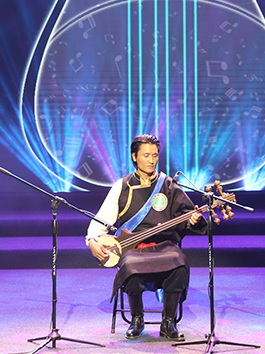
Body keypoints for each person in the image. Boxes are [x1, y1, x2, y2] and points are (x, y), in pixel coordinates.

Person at [86, 134, 207, 341]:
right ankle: (136, 319)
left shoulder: (168, 185)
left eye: (155, 155)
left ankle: (168, 323)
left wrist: (193, 220)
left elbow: (185, 216)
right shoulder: (122, 185)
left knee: (179, 262)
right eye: (146, 155)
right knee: (130, 264)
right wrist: (91, 241)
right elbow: (101, 220)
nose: (152, 160)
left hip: (164, 246)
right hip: (133, 249)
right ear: (134, 156)